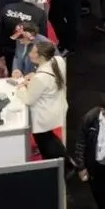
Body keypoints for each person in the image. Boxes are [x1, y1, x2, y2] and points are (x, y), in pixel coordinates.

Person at [14, 40, 75, 174]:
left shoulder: (41, 78)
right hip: (56, 107)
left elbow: (29, 99)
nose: (30, 54)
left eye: (33, 52)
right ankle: (67, 163)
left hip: (43, 117)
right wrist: (34, 77)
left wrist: (21, 88)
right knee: (50, 138)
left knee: (46, 143)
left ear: (41, 56)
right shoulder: (57, 60)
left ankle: (60, 168)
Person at [0, 0, 47, 74]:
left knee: (14, 77)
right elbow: (42, 38)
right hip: (30, 55)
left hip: (9, 52)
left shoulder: (7, 8)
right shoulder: (40, 13)